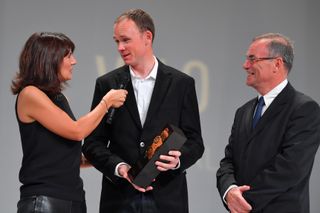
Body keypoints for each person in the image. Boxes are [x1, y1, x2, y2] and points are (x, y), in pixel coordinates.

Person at [82, 8, 204, 213]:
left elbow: (195, 142)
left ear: (147, 37)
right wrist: (120, 168)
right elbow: (93, 144)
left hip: (167, 198)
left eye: (125, 40)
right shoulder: (107, 83)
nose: (120, 47)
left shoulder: (181, 84)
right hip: (119, 199)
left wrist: (177, 160)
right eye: (116, 41)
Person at [11, 32, 127, 213]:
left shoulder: (58, 97)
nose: (74, 62)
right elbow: (76, 131)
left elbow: (61, 153)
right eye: (68, 55)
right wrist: (106, 103)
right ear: (49, 59)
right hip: (45, 201)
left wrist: (106, 157)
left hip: (73, 200)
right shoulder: (30, 94)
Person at [216, 33, 320, 213]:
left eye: (252, 59)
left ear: (277, 64)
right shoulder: (243, 112)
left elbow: (290, 168)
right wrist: (229, 191)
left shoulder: (304, 109)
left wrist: (243, 202)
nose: (245, 65)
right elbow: (228, 161)